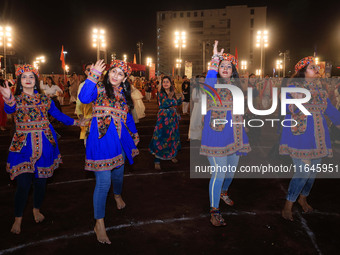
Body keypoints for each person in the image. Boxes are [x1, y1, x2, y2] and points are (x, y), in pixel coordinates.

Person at [0, 65, 85, 235]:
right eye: (24, 77)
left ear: (36, 80)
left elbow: (58, 115)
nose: (28, 79)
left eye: (31, 76)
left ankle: (36, 209)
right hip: (23, 146)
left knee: (40, 182)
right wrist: (9, 99)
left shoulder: (45, 99)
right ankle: (18, 218)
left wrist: (76, 123)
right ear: (19, 81)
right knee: (23, 185)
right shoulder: (15, 99)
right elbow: (9, 109)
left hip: (45, 144)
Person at [79, 59, 139, 244]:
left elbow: (127, 117)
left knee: (118, 175)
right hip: (100, 140)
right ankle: (99, 223)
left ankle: (117, 194)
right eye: (113, 71)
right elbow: (83, 98)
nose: (116, 76)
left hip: (120, 141)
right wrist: (93, 75)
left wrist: (135, 134)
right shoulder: (98, 88)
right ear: (108, 72)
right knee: (104, 181)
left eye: (120, 74)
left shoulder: (123, 95)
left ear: (124, 79)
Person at [280, 56, 340, 221]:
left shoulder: (320, 89)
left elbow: (330, 110)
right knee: (303, 172)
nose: (317, 69)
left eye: (316, 67)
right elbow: (286, 108)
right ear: (303, 72)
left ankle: (303, 198)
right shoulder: (293, 88)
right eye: (312, 67)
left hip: (319, 137)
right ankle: (288, 205)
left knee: (312, 173)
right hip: (300, 136)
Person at [200, 41, 251, 226]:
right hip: (215, 137)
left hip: (235, 136)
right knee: (219, 174)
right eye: (222, 66)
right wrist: (214, 59)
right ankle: (214, 211)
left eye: (229, 66)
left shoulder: (237, 88)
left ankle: (223, 192)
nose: (226, 68)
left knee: (230, 173)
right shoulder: (213, 85)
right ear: (217, 68)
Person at [149, 76, 183, 170]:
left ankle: (171, 155)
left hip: (172, 118)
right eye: (164, 82)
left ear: (171, 83)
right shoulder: (160, 93)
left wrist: (181, 99)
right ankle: (157, 159)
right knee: (160, 136)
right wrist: (171, 98)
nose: (165, 83)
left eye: (167, 82)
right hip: (163, 118)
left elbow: (176, 103)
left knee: (172, 136)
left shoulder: (173, 92)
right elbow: (164, 104)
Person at [75, 63, 93, 143]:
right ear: (85, 72)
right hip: (87, 118)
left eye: (93, 69)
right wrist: (81, 116)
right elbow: (79, 103)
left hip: (101, 119)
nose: (91, 71)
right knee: (88, 144)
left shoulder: (102, 85)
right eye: (88, 69)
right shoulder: (82, 85)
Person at [188, 75, 205, 140]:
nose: (202, 81)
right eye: (200, 80)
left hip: (204, 108)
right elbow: (194, 99)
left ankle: (202, 136)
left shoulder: (206, 89)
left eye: (203, 80)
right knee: (196, 120)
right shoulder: (195, 89)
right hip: (197, 107)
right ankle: (193, 136)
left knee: (202, 122)